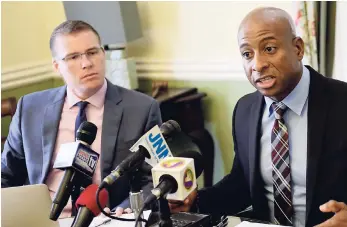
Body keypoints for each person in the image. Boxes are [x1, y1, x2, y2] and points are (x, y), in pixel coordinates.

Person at [169, 7, 347, 227]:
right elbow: (242, 185)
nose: (257, 65)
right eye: (247, 54)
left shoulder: (341, 102)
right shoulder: (245, 109)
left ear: (298, 48)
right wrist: (195, 201)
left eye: (269, 49)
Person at [1, 20, 162, 218]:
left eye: (92, 52)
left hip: (107, 218)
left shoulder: (142, 109)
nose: (86, 63)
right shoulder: (30, 108)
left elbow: (153, 177)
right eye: (73, 57)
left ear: (103, 54)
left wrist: (127, 208)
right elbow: (6, 174)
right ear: (57, 66)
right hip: (44, 218)